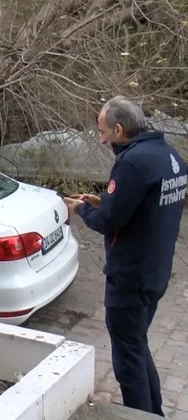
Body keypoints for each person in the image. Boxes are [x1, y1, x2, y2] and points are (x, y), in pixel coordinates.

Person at [63, 96, 186, 416]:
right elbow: (144, 206)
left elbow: (108, 222)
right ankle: (154, 412)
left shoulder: (131, 163)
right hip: (155, 272)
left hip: (130, 277)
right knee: (136, 344)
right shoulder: (168, 155)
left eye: (103, 132)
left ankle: (139, 414)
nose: (102, 140)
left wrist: (83, 210)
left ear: (119, 130)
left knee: (128, 361)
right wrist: (104, 200)